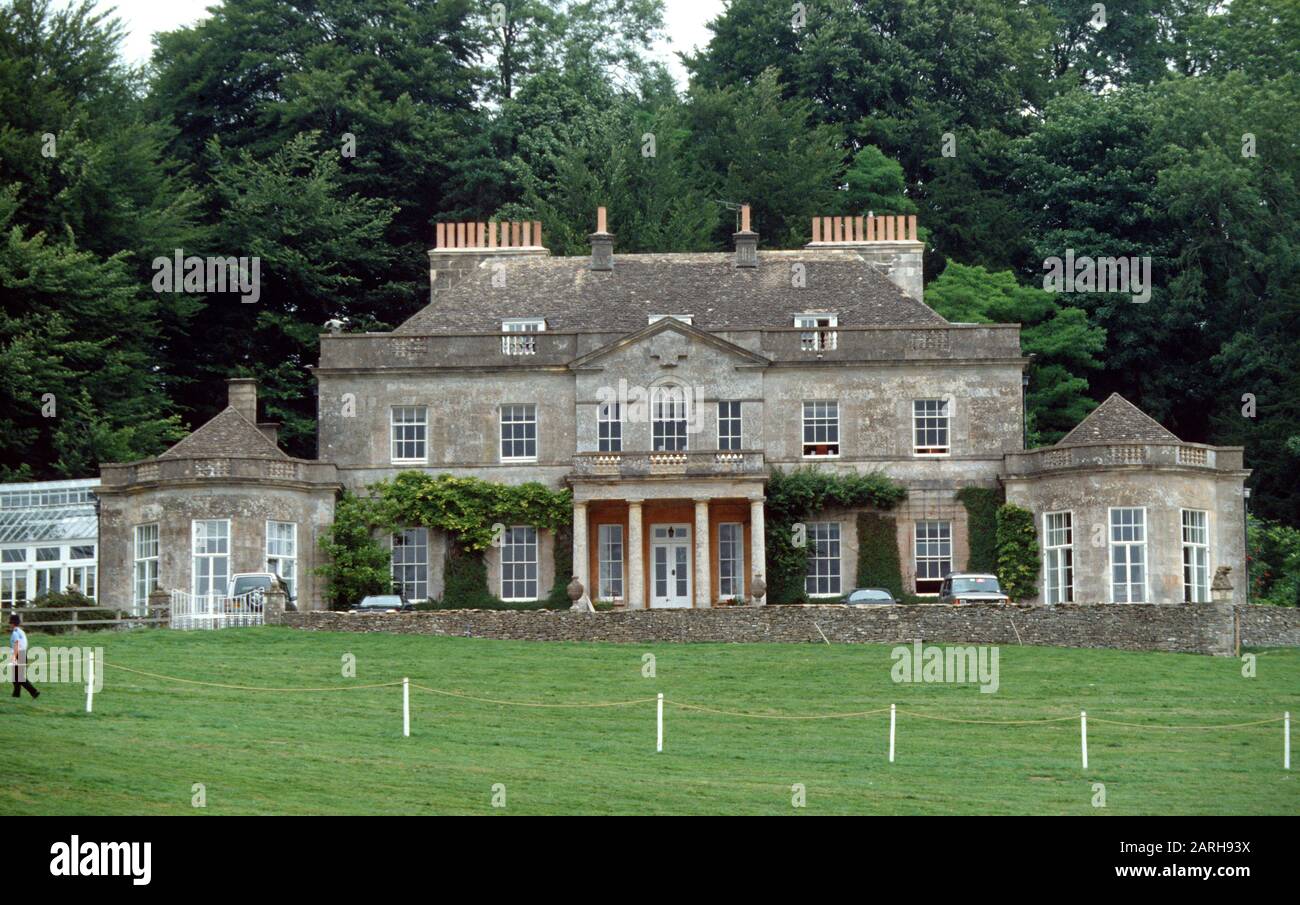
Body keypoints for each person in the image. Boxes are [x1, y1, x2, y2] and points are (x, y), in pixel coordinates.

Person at [10, 614, 38, 699]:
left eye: (10, 623)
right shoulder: (21, 631)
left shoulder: (15, 632)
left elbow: (16, 645)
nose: (10, 624)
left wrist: (14, 657)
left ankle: (34, 692)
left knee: (19, 677)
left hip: (18, 655)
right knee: (16, 677)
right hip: (23, 654)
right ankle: (16, 694)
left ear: (12, 623)